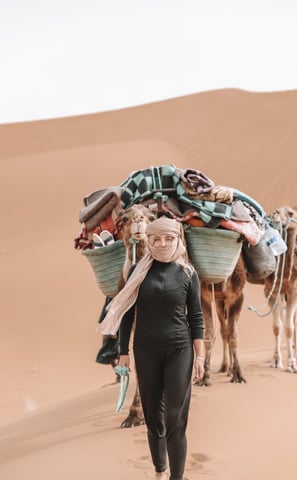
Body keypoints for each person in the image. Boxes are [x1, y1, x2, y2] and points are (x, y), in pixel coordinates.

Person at [98, 216, 205, 480]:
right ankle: (159, 470)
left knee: (174, 417)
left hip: (180, 350)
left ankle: (177, 477)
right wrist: (122, 354)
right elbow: (126, 314)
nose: (162, 244)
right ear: (148, 240)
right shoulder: (138, 271)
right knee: (153, 417)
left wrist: (200, 356)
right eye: (156, 238)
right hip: (145, 350)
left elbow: (196, 317)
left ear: (177, 239)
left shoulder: (188, 273)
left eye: (168, 238)